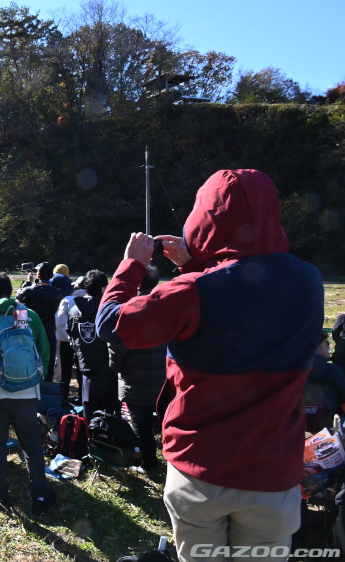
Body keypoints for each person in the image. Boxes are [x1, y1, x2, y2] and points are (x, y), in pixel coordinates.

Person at [96, 169, 323, 561]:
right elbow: (244, 303)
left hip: (200, 465)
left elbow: (111, 324)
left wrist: (132, 265)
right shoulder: (309, 281)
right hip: (273, 469)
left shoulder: (192, 290)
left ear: (204, 218)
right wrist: (195, 265)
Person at [0, 271, 55, 516]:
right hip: (27, 392)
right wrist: (35, 378)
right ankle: (40, 495)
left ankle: (0, 492)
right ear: (11, 290)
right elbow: (45, 352)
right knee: (32, 445)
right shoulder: (26, 315)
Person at [108, 265, 166, 478]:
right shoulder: (168, 305)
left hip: (134, 379)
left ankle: (150, 465)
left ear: (138, 282)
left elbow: (117, 345)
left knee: (140, 425)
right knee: (167, 422)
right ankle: (175, 461)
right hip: (163, 378)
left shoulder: (127, 307)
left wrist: (116, 367)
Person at [67, 269, 116, 422]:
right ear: (103, 288)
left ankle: (90, 441)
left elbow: (71, 336)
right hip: (109, 368)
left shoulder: (74, 310)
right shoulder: (109, 310)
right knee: (110, 413)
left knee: (89, 411)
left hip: (86, 367)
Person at [16, 262, 62, 381]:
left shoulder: (29, 291)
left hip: (32, 330)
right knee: (48, 360)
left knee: (30, 358)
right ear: (51, 276)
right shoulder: (57, 293)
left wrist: (27, 282)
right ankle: (46, 386)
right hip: (49, 330)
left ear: (38, 274)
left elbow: (18, 297)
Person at [304, 333, 345, 434]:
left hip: (304, 422)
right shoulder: (332, 371)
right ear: (315, 348)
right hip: (332, 422)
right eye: (325, 344)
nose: (328, 347)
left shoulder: (296, 369)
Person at [55, 276, 86, 402]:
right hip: (84, 341)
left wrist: (67, 338)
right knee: (82, 371)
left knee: (65, 372)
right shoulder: (92, 300)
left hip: (66, 341)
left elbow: (60, 322)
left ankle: (63, 399)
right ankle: (83, 397)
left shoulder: (67, 300)